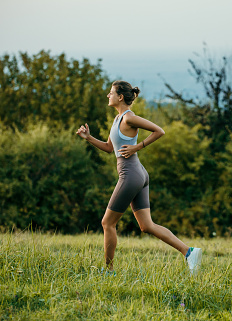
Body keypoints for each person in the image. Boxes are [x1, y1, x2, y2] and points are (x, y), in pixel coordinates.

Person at [76, 80, 202, 275]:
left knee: (107, 223)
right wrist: (89, 138)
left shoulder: (128, 118)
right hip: (137, 173)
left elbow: (159, 131)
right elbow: (110, 148)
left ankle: (108, 271)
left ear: (120, 97)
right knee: (146, 225)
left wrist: (138, 146)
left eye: (111, 93)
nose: (108, 96)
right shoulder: (117, 120)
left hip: (131, 174)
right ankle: (189, 252)